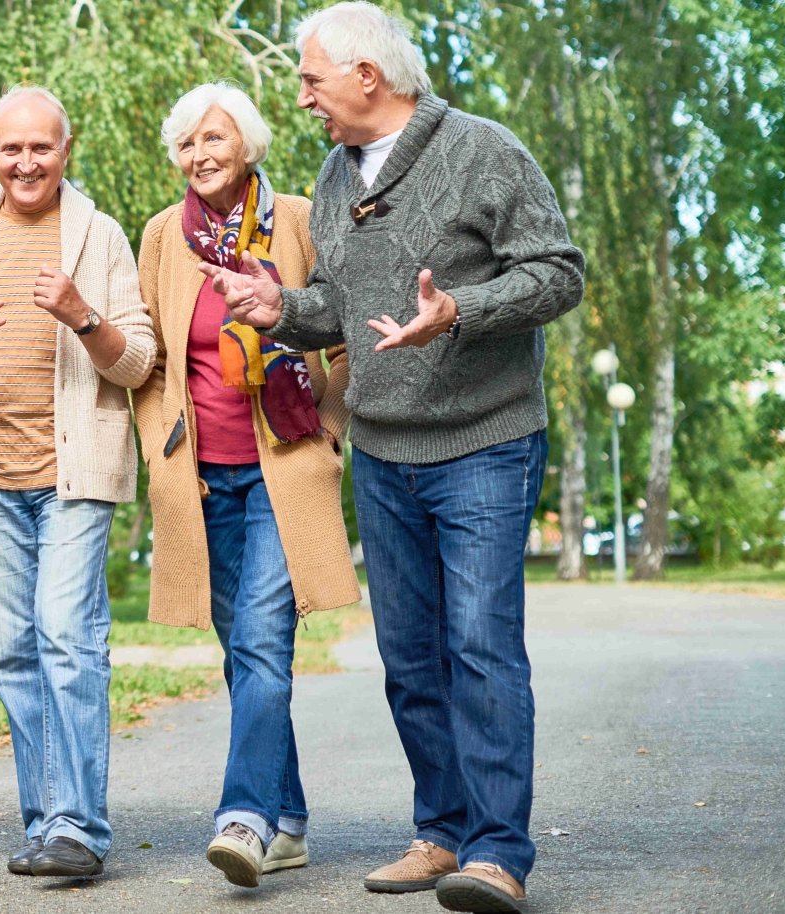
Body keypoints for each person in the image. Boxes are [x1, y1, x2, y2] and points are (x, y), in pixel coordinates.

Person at [199, 4, 586, 911]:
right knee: (410, 657)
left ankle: (497, 853)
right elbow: (339, 303)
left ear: (366, 76)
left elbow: (558, 272)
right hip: (380, 449)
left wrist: (459, 309)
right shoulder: (335, 175)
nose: (300, 99)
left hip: (483, 441)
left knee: (480, 648)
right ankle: (439, 832)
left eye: (309, 79)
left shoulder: (484, 150)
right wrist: (279, 309)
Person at [132, 82, 361, 889]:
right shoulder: (163, 236)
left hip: (281, 466)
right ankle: (289, 816)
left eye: (214, 138)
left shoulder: (296, 219)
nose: (199, 154)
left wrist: (328, 429)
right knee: (243, 656)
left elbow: (341, 328)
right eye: (187, 142)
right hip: (200, 478)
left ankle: (244, 818)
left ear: (249, 145)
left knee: (263, 643)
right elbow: (153, 357)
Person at [0, 86, 157, 879]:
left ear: (67, 149)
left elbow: (137, 363)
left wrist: (81, 315)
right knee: (12, 655)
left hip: (74, 471)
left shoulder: (98, 236)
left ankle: (79, 829)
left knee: (66, 637)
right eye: (10, 148)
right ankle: (45, 821)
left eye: (41, 148)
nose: (25, 163)